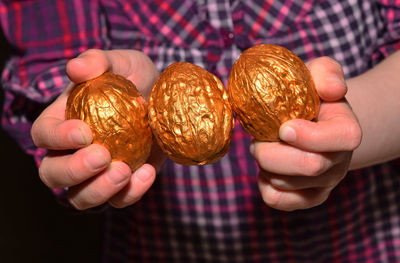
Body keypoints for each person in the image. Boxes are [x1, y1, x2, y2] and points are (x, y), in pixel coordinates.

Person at [1, 0, 400, 262]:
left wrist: (341, 124)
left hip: (366, 239)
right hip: (170, 248)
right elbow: (55, 67)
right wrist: (85, 125)